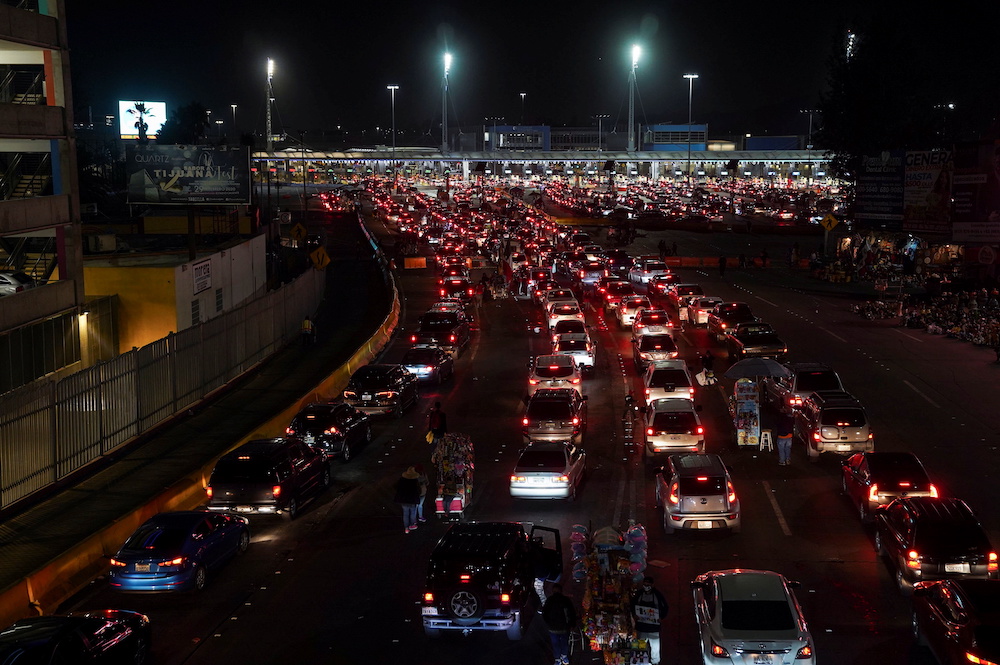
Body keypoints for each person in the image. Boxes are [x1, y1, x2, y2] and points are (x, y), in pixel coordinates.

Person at [631, 576, 668, 665]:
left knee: (655, 648)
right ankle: (641, 661)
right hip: (641, 627)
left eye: (648, 584)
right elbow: (632, 606)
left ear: (652, 584)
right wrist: (634, 615)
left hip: (653, 628)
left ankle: (655, 662)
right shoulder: (639, 594)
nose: (646, 586)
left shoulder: (658, 595)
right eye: (645, 584)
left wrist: (661, 617)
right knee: (641, 646)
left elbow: (665, 607)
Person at [541, 583, 577, 665]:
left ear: (553, 591)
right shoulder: (566, 600)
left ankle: (557, 659)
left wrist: (548, 624)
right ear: (561, 591)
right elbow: (572, 613)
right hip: (564, 627)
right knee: (564, 643)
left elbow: (544, 613)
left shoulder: (549, 600)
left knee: (555, 644)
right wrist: (572, 624)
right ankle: (564, 657)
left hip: (552, 628)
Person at [393, 466, 422, 533]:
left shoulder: (402, 480)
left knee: (405, 514)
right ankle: (412, 525)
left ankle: (406, 528)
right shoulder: (415, 481)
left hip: (404, 500)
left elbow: (395, 486)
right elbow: (419, 491)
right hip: (413, 499)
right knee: (412, 513)